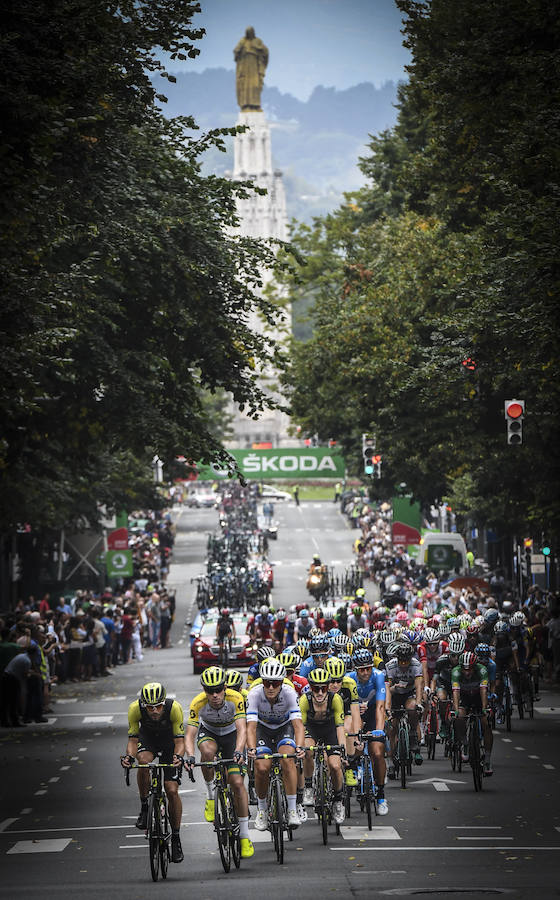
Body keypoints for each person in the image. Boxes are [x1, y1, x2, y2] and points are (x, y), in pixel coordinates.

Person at [184, 666, 254, 859]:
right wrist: (189, 755)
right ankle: (209, 796)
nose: (214, 695)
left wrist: (239, 750)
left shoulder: (235, 699)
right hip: (211, 733)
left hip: (232, 735)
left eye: (218, 689)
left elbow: (242, 729)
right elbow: (190, 734)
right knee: (206, 751)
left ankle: (245, 837)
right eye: (209, 690)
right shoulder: (198, 703)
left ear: (224, 687)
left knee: (238, 783)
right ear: (204, 690)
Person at [121, 682, 185, 863]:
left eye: (158, 706)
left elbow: (180, 742)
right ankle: (144, 807)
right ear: (143, 705)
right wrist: (129, 757)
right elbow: (133, 741)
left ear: (164, 703)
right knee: (142, 762)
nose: (155, 711)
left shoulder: (174, 708)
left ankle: (176, 837)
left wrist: (178, 757)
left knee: (171, 790)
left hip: (169, 742)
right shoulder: (134, 709)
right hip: (147, 739)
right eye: (150, 707)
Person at [246, 657, 305, 831]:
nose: (271, 687)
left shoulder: (290, 693)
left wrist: (300, 747)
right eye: (267, 683)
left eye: (275, 683)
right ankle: (262, 810)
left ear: (281, 682)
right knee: (262, 767)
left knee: (288, 759)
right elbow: (250, 728)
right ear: (262, 681)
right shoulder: (254, 694)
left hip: (283, 727)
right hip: (262, 729)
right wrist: (251, 748)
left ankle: (292, 809)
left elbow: (298, 726)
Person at [300, 668, 346, 825]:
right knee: (307, 752)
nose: (319, 692)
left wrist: (342, 749)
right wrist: (299, 747)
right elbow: (300, 727)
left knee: (334, 765)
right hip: (312, 730)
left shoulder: (336, 699)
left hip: (330, 730)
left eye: (323, 688)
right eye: (315, 688)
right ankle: (308, 786)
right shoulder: (304, 700)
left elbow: (340, 727)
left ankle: (338, 801)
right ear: (310, 688)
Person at [347, 647, 389, 814]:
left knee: (377, 753)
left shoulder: (378, 676)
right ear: (355, 669)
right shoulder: (348, 679)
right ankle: (353, 764)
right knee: (354, 743)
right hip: (355, 713)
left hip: (372, 714)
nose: (365, 672)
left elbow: (380, 707)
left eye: (368, 668)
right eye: (361, 669)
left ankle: (380, 795)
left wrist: (379, 731)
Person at [451, 651, 493, 775]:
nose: (467, 672)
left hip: (479, 697)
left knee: (486, 723)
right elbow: (455, 692)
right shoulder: (456, 671)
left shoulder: (482, 670)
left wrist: (485, 709)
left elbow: (484, 690)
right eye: (465, 669)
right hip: (464, 697)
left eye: (470, 669)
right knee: (459, 718)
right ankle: (465, 743)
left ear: (475, 667)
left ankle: (487, 760)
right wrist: (456, 709)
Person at [234, 26, 269, 111]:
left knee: (255, 86)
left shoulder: (257, 41)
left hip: (255, 67)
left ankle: (256, 106)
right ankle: (246, 106)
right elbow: (236, 51)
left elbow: (265, 52)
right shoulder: (242, 41)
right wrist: (240, 51)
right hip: (245, 67)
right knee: (245, 86)